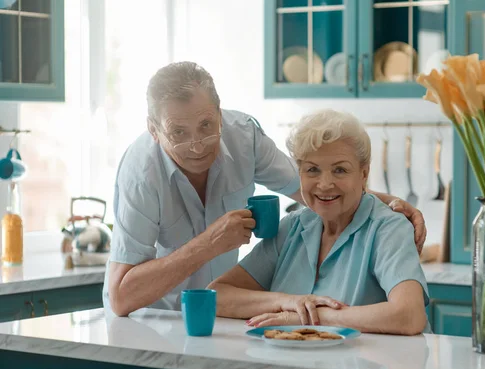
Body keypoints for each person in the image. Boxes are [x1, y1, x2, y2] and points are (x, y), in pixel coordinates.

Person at [103, 61, 427, 318]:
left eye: (206, 126)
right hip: (157, 324)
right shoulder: (141, 174)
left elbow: (310, 188)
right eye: (179, 132)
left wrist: (390, 203)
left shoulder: (244, 137)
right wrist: (210, 244)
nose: (197, 145)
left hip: (222, 331)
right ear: (154, 130)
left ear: (219, 113)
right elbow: (120, 298)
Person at [208, 109, 430, 335]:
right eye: (312, 169)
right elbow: (216, 296)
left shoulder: (388, 228)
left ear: (364, 174)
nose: (324, 184)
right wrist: (288, 302)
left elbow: (409, 316)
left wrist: (314, 317)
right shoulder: (291, 227)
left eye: (340, 170)